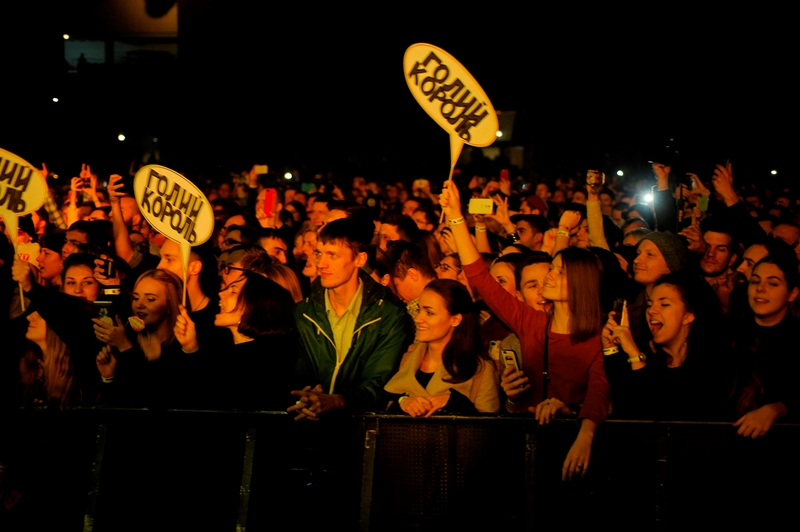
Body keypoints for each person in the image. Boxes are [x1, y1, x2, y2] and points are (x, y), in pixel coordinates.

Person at [440, 182, 609, 480]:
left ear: (579, 284)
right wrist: (455, 217)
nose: (548, 276)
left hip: (571, 447)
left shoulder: (596, 335)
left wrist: (584, 434)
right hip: (522, 442)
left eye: (557, 271)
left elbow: (599, 390)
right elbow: (481, 277)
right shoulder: (530, 321)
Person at [288, 218, 411, 420]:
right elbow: (296, 373)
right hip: (306, 427)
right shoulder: (303, 313)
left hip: (362, 430)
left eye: (333, 255)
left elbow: (380, 381)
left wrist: (337, 400)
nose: (322, 264)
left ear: (360, 260)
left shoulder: (387, 313)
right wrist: (307, 397)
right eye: (319, 253)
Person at [602, 273, 725, 420]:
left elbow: (664, 411)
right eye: (649, 304)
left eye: (664, 304)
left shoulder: (713, 359)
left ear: (688, 315)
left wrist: (636, 356)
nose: (652, 311)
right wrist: (611, 350)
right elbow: (630, 410)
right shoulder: (638, 350)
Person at [175, 272, 299, 410]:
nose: (221, 293)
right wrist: (190, 347)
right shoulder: (222, 349)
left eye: (233, 291)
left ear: (254, 306)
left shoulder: (269, 360)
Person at [384, 279, 500, 415]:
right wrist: (403, 402)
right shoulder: (408, 358)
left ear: (455, 319)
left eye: (429, 313)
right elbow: (387, 418)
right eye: (419, 310)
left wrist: (454, 402)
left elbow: (489, 428)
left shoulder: (480, 368)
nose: (418, 319)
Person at [729, 252, 800, 437]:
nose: (760, 289)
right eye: (755, 281)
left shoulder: (796, 337)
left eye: (773, 283)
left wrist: (776, 409)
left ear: (792, 293)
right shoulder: (727, 331)